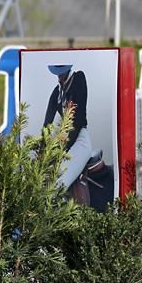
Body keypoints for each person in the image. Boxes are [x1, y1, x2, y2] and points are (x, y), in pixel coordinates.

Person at [43, 64, 92, 192]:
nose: (59, 76)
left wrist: (63, 147)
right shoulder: (56, 92)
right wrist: (43, 146)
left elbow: (78, 119)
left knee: (60, 179)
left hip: (80, 137)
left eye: (61, 72)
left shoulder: (79, 79)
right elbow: (47, 122)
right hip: (63, 138)